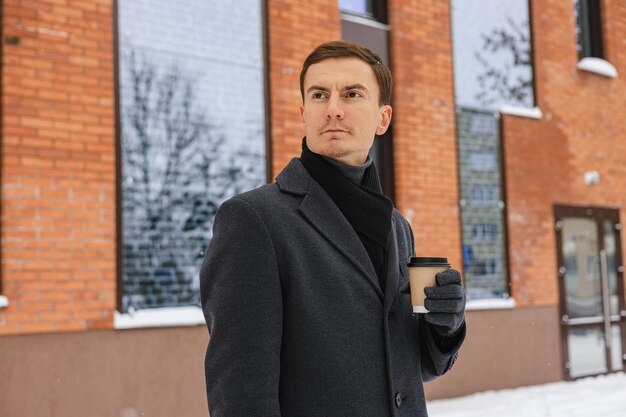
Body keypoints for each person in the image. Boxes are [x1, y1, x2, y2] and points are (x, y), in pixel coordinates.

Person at [200, 40, 466, 417]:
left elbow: (409, 369)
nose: (334, 110)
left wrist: (445, 327)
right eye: (320, 95)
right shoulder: (253, 219)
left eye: (352, 94)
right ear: (303, 112)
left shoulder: (397, 227)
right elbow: (241, 391)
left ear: (383, 118)